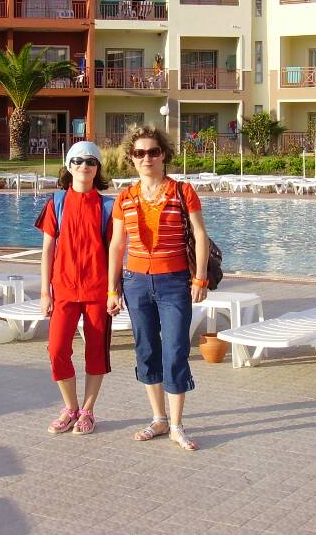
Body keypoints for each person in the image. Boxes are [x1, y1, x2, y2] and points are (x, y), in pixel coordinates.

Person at [107, 125, 209, 451]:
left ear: (164, 154)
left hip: (174, 281)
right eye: (139, 153)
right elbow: (117, 245)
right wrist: (112, 289)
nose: (147, 158)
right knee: (147, 349)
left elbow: (200, 236)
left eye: (153, 151)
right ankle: (159, 419)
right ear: (132, 158)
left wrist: (200, 278)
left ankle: (177, 425)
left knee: (176, 349)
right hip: (136, 282)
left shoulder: (182, 191)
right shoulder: (125, 197)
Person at [35, 141, 115, 436]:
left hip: (97, 292)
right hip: (64, 291)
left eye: (91, 161)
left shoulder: (108, 207)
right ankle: (70, 408)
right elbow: (47, 251)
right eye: (78, 161)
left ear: (98, 168)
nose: (84, 166)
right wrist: (45, 292)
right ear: (68, 166)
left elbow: (115, 251)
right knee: (57, 350)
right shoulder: (55, 203)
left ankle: (88, 411)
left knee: (96, 353)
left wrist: (113, 291)